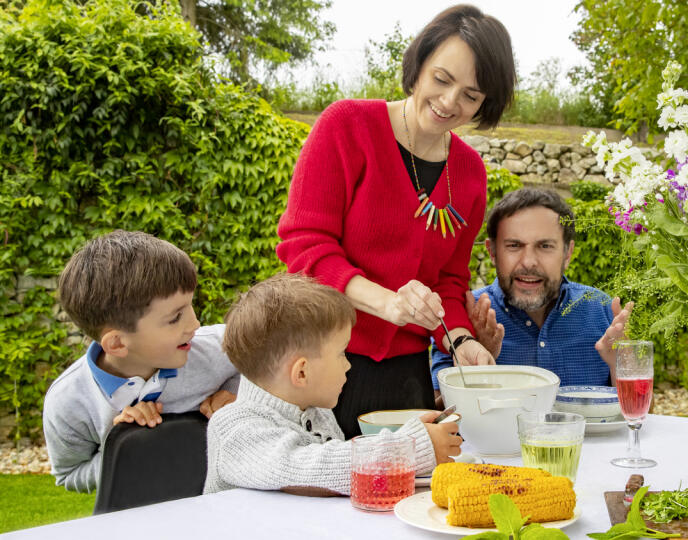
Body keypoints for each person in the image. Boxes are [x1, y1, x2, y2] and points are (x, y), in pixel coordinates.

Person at [276, 4, 516, 438]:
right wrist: (386, 303)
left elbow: (449, 279)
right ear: (419, 64)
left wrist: (461, 342)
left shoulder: (470, 173)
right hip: (315, 363)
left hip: (406, 378)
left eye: (471, 96)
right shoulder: (346, 127)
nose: (449, 102)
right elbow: (305, 249)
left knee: (409, 500)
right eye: (442, 79)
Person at [204, 273, 461, 495]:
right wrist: (410, 448)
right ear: (301, 373)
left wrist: (411, 436)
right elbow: (307, 468)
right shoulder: (233, 429)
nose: (348, 365)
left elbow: (340, 464)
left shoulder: (317, 413)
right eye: (342, 353)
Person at [43, 230, 239, 493]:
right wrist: (126, 445)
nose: (195, 324)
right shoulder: (68, 401)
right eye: (174, 318)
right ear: (117, 343)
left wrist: (237, 394)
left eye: (190, 306)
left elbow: (274, 360)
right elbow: (69, 474)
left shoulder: (216, 348)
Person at [431, 188, 634, 388]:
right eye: (514, 246)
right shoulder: (460, 319)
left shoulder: (602, 310)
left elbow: (642, 413)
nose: (529, 262)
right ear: (492, 252)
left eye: (545, 246)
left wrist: (623, 366)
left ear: (567, 253)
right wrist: (479, 369)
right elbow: (437, 411)